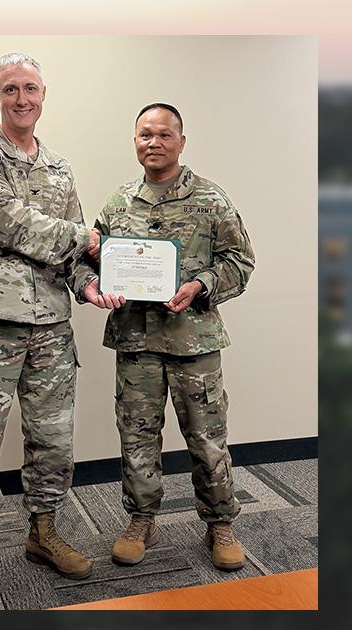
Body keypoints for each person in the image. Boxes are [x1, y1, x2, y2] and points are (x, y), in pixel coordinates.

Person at [0, 52, 118, 606]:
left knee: (54, 441)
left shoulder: (59, 169)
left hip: (50, 329)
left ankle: (43, 533)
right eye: (11, 89)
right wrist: (86, 240)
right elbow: (9, 225)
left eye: (32, 89)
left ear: (45, 95)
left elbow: (71, 252)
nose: (23, 99)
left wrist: (88, 284)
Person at [91, 103, 255, 571]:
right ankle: (141, 519)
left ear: (181, 141)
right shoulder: (118, 202)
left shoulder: (211, 199)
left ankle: (220, 523)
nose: (154, 143)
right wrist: (97, 286)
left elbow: (240, 262)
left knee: (207, 439)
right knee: (137, 437)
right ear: (135, 141)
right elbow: (94, 258)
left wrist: (201, 285)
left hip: (193, 343)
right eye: (145, 135)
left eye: (164, 135)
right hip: (136, 341)